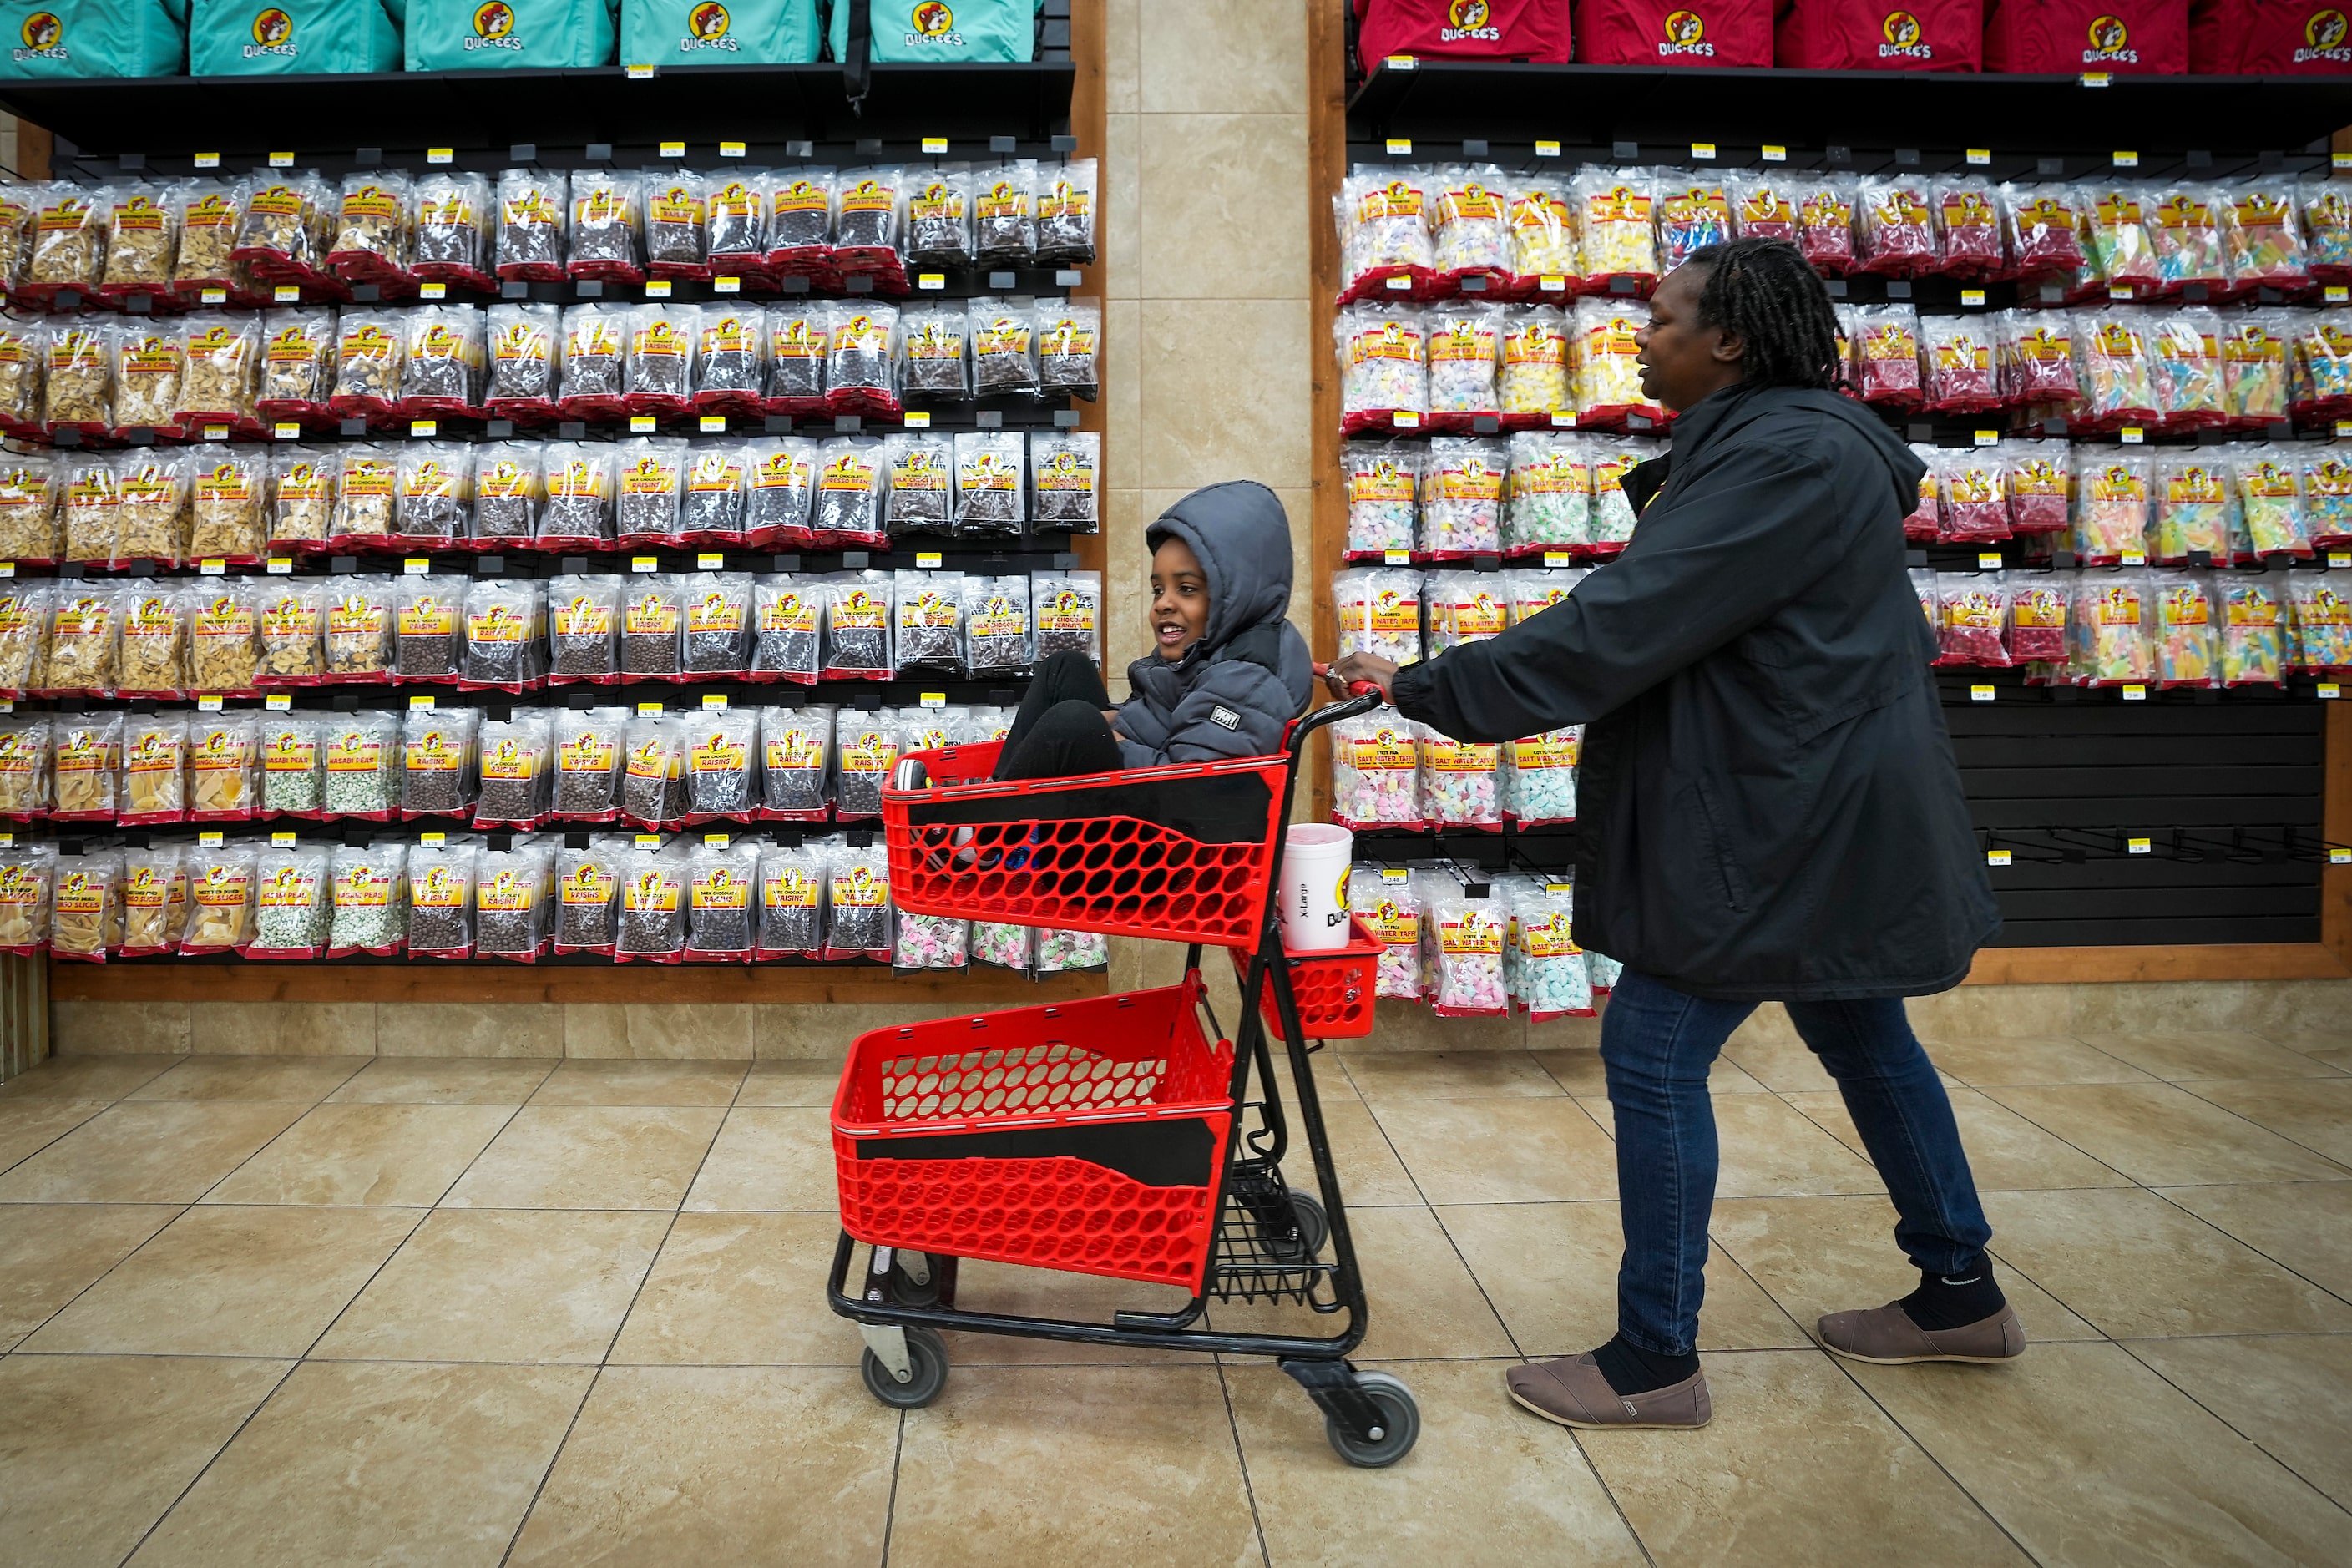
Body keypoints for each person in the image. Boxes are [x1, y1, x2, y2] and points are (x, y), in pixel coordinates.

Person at [1331, 238, 2016, 1432]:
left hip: (1788, 814)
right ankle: (1959, 1291)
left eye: (1660, 320)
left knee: (1652, 1047)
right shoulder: (1783, 444)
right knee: (1861, 1028)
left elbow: (1628, 621)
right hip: (1818, 800)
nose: (1640, 338)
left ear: (1732, 341)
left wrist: (1431, 685)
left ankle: (1654, 1359)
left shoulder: (1789, 458)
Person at [994, 480, 1313, 780]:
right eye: (1158, 590)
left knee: (1075, 721)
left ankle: (988, 823)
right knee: (1065, 668)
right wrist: (1114, 725)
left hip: (1164, 828)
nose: (1163, 604)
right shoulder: (1215, 647)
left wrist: (1109, 739)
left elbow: (1193, 789)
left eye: (1186, 589)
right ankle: (991, 802)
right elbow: (1163, 719)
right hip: (1148, 789)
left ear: (1237, 594)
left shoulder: (1248, 681)